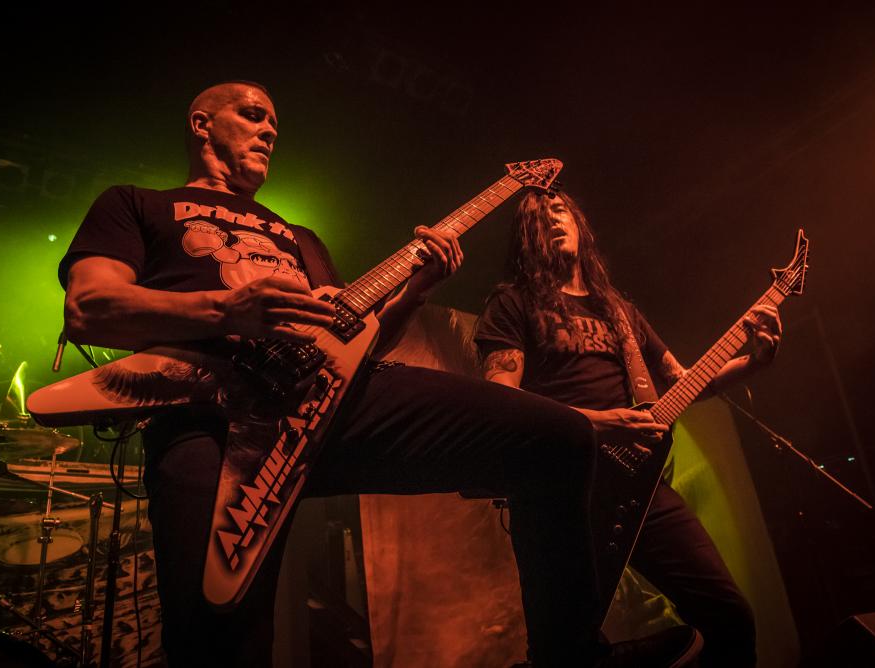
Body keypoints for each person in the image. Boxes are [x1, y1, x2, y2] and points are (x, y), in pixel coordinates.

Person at [58, 80, 702, 667]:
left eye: (275, 123)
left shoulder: (299, 237)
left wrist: (416, 290)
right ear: (202, 123)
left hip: (327, 404)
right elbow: (90, 308)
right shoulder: (137, 204)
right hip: (208, 412)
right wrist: (225, 309)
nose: (269, 130)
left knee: (557, 436)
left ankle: (571, 657)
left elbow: (351, 344)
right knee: (218, 636)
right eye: (253, 115)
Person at [475, 190, 782, 668]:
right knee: (563, 654)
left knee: (731, 617)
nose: (552, 219)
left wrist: (754, 362)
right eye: (538, 216)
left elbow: (682, 383)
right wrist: (599, 423)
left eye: (559, 210)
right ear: (525, 237)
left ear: (579, 224)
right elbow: (501, 403)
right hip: (561, 494)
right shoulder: (512, 302)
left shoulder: (618, 310)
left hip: (642, 487)